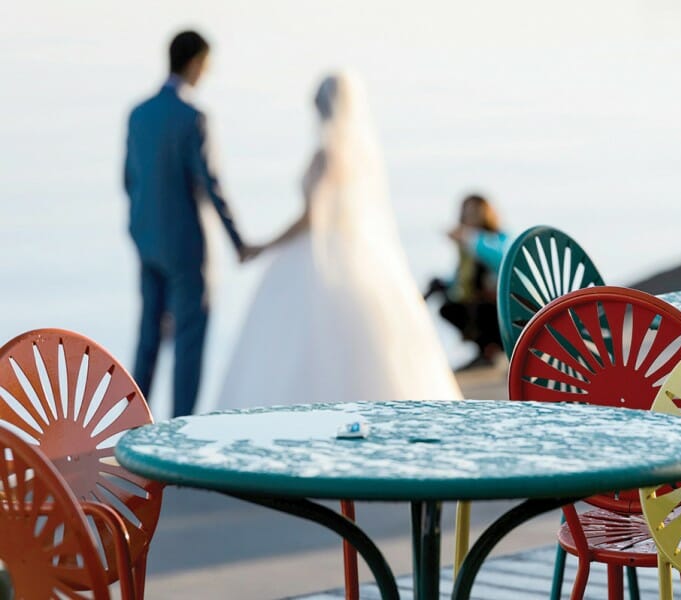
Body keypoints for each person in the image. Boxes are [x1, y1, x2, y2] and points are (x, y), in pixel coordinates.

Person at [217, 72, 462, 410]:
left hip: (319, 253)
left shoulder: (327, 155)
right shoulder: (359, 156)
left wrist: (264, 246)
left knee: (302, 340)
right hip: (354, 251)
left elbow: (312, 218)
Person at [124, 30, 261, 417]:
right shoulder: (193, 118)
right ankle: (180, 432)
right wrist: (238, 241)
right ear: (197, 62)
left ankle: (130, 427)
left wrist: (137, 233)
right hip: (185, 246)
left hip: (147, 241)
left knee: (148, 337)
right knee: (189, 340)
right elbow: (210, 183)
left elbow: (129, 180)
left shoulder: (138, 113)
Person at [426, 194, 508, 370]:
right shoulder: (466, 251)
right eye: (466, 211)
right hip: (474, 302)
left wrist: (469, 238)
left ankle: (492, 349)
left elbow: (500, 260)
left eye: (475, 211)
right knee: (442, 297)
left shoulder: (498, 238)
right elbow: (459, 282)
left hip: (499, 307)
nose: (470, 216)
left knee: (478, 305)